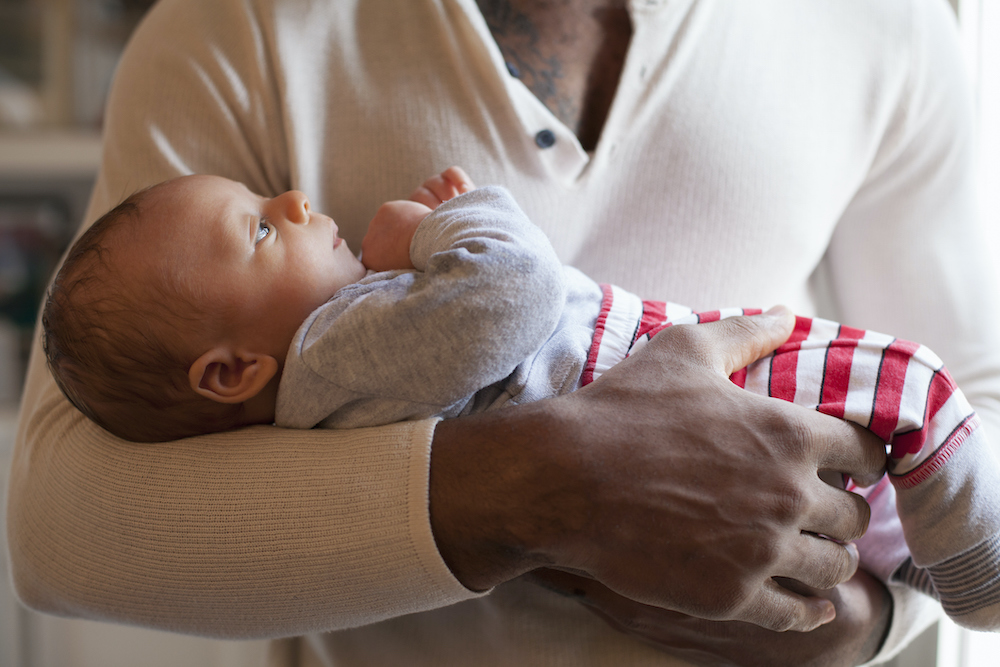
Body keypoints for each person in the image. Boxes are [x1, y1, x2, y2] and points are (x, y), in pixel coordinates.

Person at [8, 0, 1000, 665]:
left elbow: (979, 405)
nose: (297, 207)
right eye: (264, 223)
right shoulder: (238, 28)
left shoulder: (885, 25)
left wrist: (848, 628)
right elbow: (59, 530)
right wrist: (558, 485)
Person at [40, 165, 1000, 631]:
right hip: (663, 374)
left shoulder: (344, 362)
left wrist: (873, 639)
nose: (293, 201)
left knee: (870, 494)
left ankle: (930, 573)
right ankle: (974, 569)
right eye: (257, 229)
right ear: (230, 373)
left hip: (706, 437)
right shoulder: (334, 351)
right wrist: (446, 226)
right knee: (904, 381)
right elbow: (515, 292)